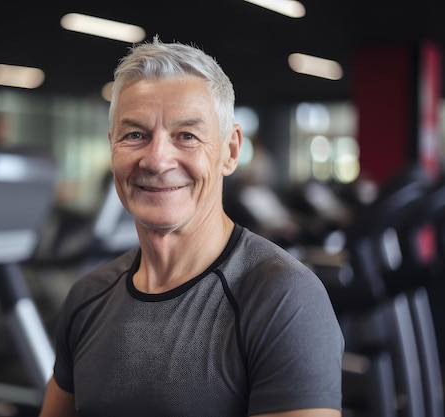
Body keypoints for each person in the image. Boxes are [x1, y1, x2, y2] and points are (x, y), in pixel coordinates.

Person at [39, 36, 344, 417]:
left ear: (230, 151)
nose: (156, 159)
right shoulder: (87, 297)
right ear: (112, 146)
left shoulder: (284, 298)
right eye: (135, 135)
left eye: (186, 136)